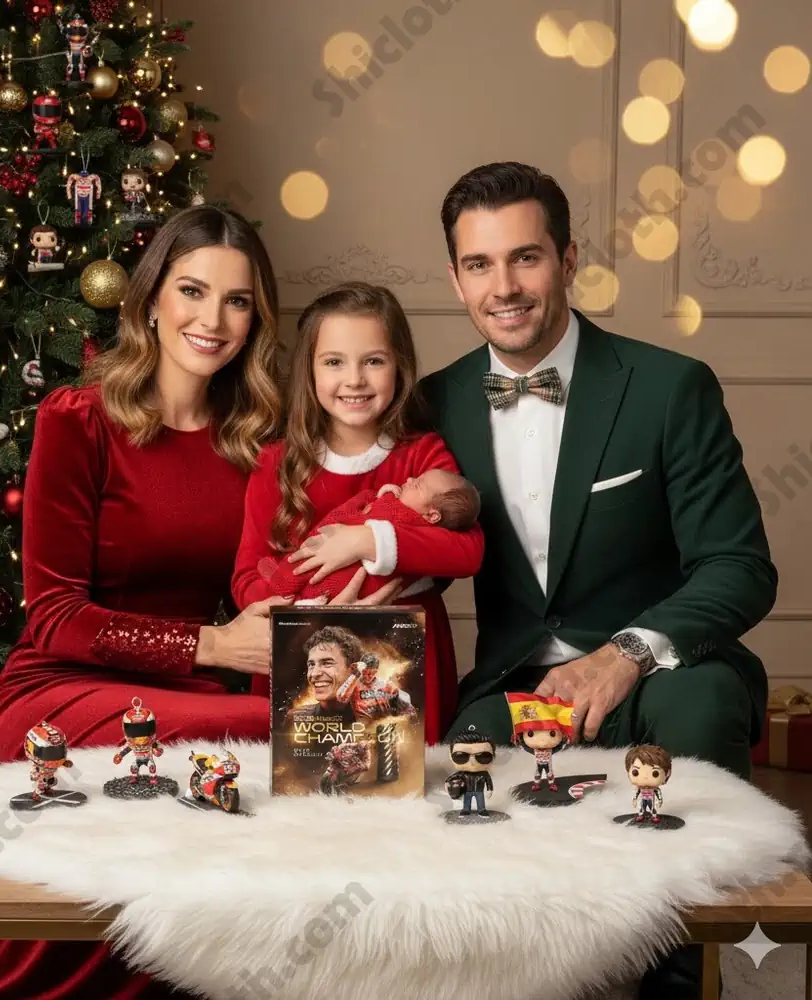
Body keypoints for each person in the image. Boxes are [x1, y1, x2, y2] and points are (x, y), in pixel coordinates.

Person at [0, 208, 395, 999]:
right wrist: (214, 645)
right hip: (61, 686)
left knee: (356, 725)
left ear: (257, 319)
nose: (213, 320)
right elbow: (53, 616)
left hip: (196, 685)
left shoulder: (260, 436)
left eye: (237, 301)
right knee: (282, 734)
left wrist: (381, 558)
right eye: (192, 291)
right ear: (152, 300)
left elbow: (295, 559)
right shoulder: (78, 420)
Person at [423, 161, 777, 998]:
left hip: (662, 671)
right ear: (456, 278)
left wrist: (625, 655)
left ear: (569, 258)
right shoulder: (432, 402)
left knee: (700, 707)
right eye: (479, 265)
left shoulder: (669, 387)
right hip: (517, 682)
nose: (504, 288)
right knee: (469, 784)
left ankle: (685, 976)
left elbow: (739, 565)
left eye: (526, 257)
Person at [232, 280, 487, 744]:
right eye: (334, 362)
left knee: (403, 778)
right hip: (301, 661)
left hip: (403, 663)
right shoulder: (275, 463)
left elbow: (466, 552)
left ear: (399, 367)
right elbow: (247, 577)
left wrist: (366, 540)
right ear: (309, 371)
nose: (355, 380)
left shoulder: (421, 459)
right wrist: (302, 608)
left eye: (373, 361)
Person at [258, 469, 481, 603]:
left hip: (357, 592)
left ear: (432, 515)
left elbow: (468, 553)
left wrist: (368, 536)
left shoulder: (406, 514)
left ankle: (284, 584)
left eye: (418, 485)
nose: (409, 479)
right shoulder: (415, 509)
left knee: (308, 569)